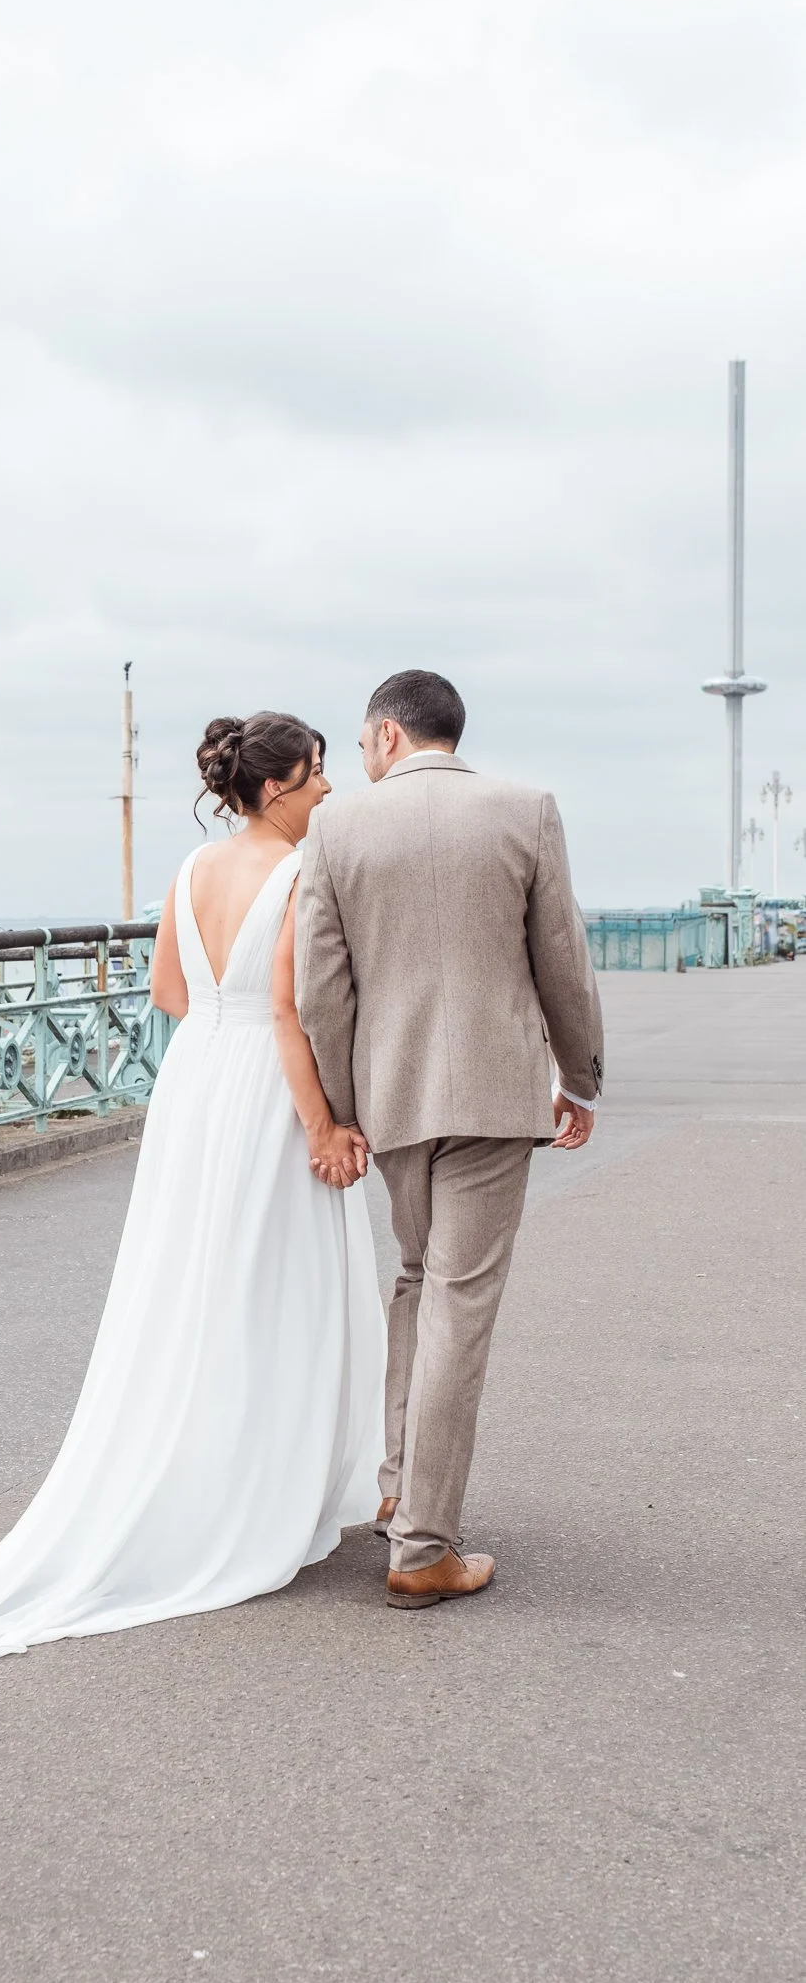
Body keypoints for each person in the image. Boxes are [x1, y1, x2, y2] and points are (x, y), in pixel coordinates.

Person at [0, 712, 386, 1676]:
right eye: (314, 778)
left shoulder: (188, 871)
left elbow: (171, 993)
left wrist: (228, 1028)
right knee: (275, 1285)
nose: (328, 793)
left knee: (195, 1282)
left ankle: (209, 1478)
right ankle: (263, 1493)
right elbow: (290, 1013)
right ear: (273, 790)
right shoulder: (300, 873)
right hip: (264, 1087)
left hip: (195, 1083)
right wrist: (321, 1125)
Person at [296, 669, 603, 1609]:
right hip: (491, 1092)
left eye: (358, 743)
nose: (357, 759)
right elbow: (560, 957)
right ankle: (423, 1545)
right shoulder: (526, 809)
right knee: (458, 1302)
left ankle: (399, 1488)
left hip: (389, 1100)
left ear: (387, 736)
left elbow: (320, 986)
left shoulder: (336, 827)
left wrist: (343, 1107)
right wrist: (578, 1076)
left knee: (417, 1281)